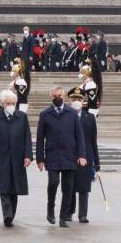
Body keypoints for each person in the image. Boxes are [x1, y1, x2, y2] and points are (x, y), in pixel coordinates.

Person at [36, 86, 87, 227]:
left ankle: (63, 217)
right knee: (53, 183)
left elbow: (79, 136)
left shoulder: (72, 113)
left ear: (64, 96)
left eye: (60, 96)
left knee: (68, 187)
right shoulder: (45, 114)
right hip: (52, 155)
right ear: (51, 97)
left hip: (69, 155)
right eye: (55, 96)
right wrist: (40, 159)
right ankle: (50, 209)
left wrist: (82, 155)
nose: (57, 98)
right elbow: (40, 138)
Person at [0, 90, 32, 227]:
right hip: (1, 157)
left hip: (17, 157)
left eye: (13, 103)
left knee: (15, 188)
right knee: (3, 187)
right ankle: (7, 214)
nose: (11, 106)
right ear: (2, 104)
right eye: (8, 103)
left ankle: (11, 214)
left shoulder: (22, 117)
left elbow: (27, 137)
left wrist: (28, 155)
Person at [65, 87, 100, 223]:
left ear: (84, 100)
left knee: (84, 187)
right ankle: (69, 212)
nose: (76, 101)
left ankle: (83, 214)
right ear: (69, 100)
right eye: (74, 99)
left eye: (79, 99)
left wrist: (97, 162)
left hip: (86, 156)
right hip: (70, 156)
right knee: (70, 186)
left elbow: (93, 141)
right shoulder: (65, 115)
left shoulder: (89, 117)